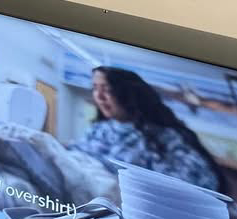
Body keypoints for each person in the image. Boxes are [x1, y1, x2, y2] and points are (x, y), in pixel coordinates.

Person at [71, 66, 227, 193]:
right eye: (95, 88)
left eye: (107, 89)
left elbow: (203, 182)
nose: (99, 96)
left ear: (128, 95)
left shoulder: (163, 137)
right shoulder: (98, 129)